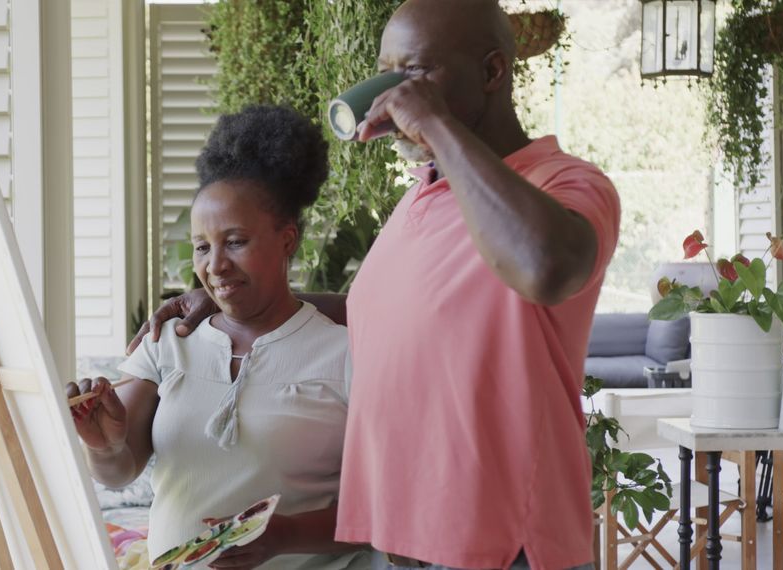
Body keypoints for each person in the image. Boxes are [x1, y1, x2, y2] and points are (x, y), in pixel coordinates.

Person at [135, 0, 620, 567]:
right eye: (387, 73)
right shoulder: (424, 195)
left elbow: (545, 267)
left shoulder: (565, 184)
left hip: (504, 543)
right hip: (410, 543)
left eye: (413, 74)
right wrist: (225, 296)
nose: (393, 96)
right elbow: (386, 311)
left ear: (492, 72)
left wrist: (435, 124)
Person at [68, 105, 371, 570]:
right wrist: (104, 446)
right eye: (202, 247)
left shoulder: (343, 354)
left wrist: (285, 536)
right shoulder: (167, 342)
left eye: (235, 242)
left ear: (287, 240)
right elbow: (119, 469)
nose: (215, 265)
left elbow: (379, 511)